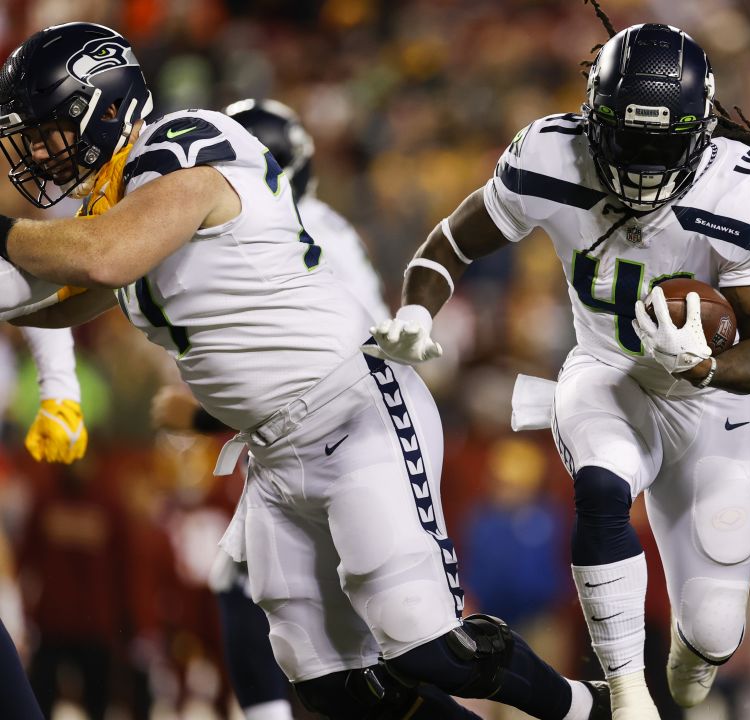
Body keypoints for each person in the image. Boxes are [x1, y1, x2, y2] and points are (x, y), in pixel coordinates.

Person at [0, 21, 606, 720]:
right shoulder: (120, 203)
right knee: (337, 687)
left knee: (427, 647)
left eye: (51, 128)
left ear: (107, 106)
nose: (40, 150)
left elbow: (99, 258)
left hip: (350, 409)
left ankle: (587, 710)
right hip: (275, 450)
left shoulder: (182, 146)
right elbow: (68, 297)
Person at [367, 22, 750, 719]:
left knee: (714, 632)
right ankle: (625, 695)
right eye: (629, 139)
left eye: (662, 145)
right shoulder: (550, 156)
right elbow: (449, 243)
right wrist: (417, 312)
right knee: (600, 487)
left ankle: (693, 656)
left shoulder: (741, 194)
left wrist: (705, 364)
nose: (643, 163)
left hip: (707, 402)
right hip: (606, 371)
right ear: (594, 118)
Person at [149, 96, 390, 720]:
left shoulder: (291, 233)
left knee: (375, 630)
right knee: (285, 599)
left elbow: (343, 354)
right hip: (341, 428)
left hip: (345, 432)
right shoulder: (302, 224)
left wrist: (202, 417)